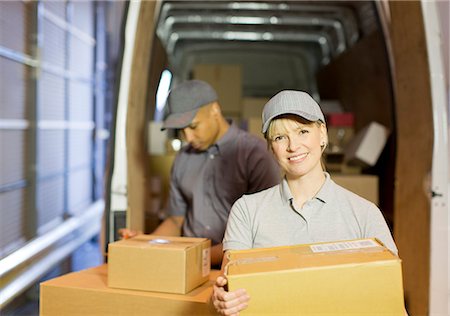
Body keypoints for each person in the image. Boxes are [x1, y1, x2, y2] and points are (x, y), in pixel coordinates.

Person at [211, 90, 398, 315]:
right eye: (280, 137)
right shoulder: (247, 211)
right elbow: (232, 287)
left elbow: (389, 298)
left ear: (322, 134)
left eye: (302, 131)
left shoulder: (364, 214)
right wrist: (224, 301)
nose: (293, 146)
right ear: (271, 148)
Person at [121, 80, 280, 267]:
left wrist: (193, 257)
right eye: (181, 130)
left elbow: (261, 235)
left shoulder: (255, 155)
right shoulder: (183, 158)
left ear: (215, 110)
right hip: (188, 263)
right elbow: (175, 219)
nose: (188, 137)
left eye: (193, 126)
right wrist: (147, 244)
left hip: (234, 266)